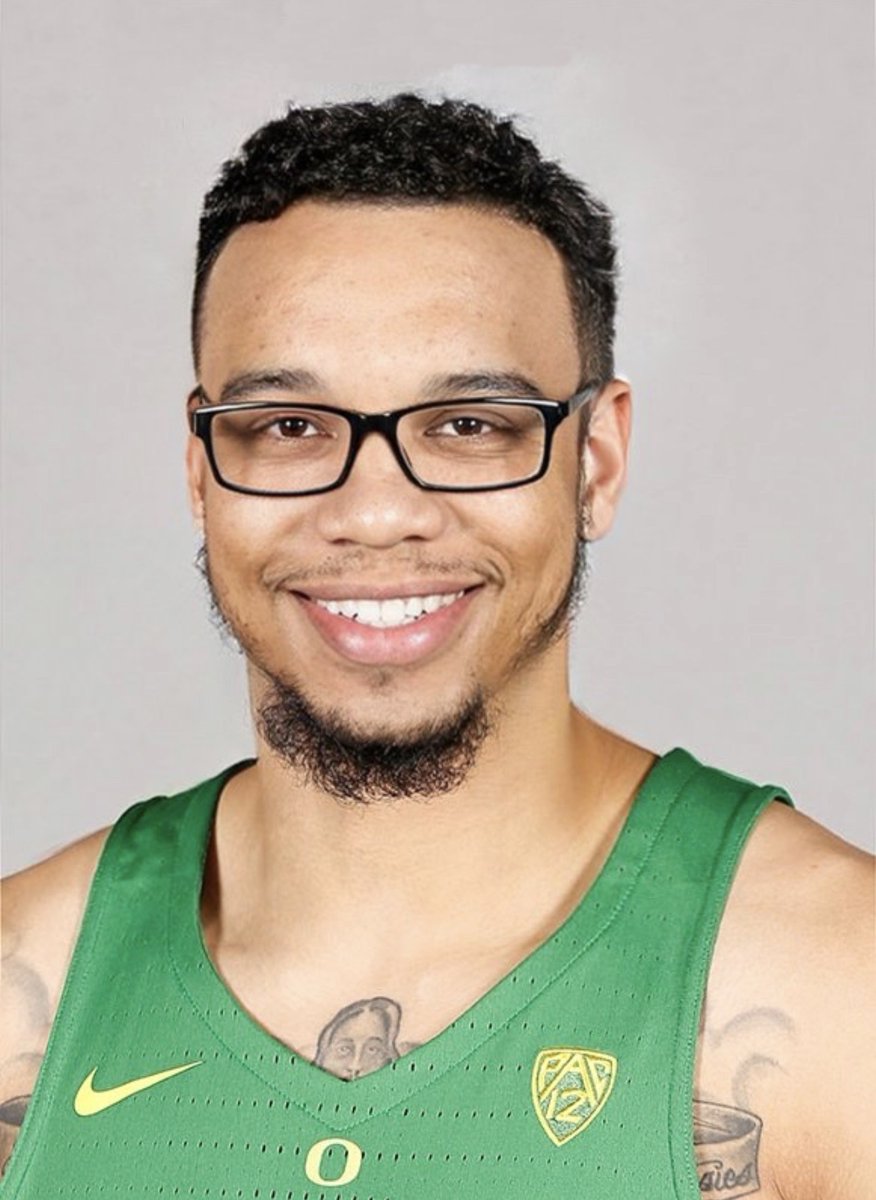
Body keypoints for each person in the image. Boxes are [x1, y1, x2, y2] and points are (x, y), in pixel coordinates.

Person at [0, 93, 871, 1198]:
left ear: (596, 461)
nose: (375, 513)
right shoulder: (24, 991)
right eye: (288, 427)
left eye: (469, 426)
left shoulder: (837, 992)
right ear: (201, 471)